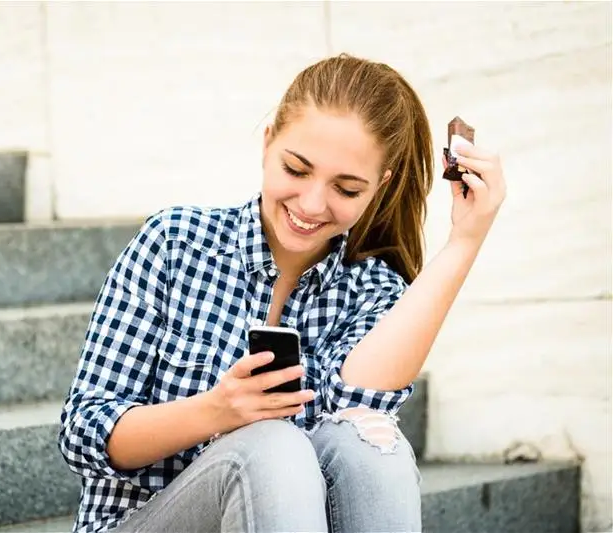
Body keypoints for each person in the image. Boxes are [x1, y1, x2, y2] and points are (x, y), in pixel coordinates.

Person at [58, 53, 506, 533]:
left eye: (347, 189)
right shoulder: (175, 242)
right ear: (269, 142)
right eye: (296, 169)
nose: (312, 204)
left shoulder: (373, 290)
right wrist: (216, 411)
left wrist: (465, 241)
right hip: (143, 522)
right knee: (272, 445)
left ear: (380, 187)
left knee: (376, 448)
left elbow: (362, 413)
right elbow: (84, 432)